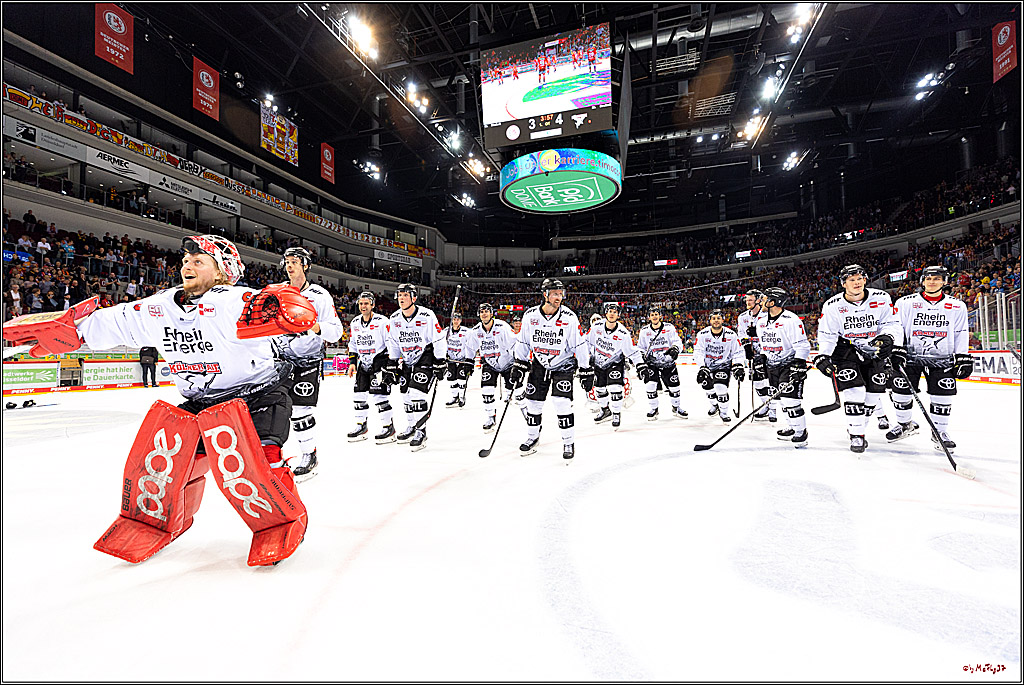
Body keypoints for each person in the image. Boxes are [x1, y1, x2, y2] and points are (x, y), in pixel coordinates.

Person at [2, 235, 316, 567]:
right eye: (186, 260)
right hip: (202, 403)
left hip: (257, 395)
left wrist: (280, 307)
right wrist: (74, 332)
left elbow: (269, 308)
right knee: (159, 465)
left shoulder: (231, 300)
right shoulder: (159, 307)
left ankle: (281, 521)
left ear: (222, 272)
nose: (187, 265)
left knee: (260, 463)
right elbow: (116, 322)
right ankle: (155, 522)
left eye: (199, 261)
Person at [814, 264, 903, 454]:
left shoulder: (881, 298)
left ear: (865, 280)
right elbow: (827, 333)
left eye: (860, 279)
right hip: (845, 350)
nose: (856, 283)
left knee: (872, 395)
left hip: (875, 347)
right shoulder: (832, 305)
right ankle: (857, 435)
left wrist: (889, 337)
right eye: (851, 280)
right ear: (843, 283)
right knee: (854, 391)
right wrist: (823, 355)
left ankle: (858, 426)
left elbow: (891, 323)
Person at [273, 247, 344, 481]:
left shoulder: (319, 295)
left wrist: (314, 326)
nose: (289, 265)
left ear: (305, 265)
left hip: (309, 360)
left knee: (301, 410)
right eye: (287, 261)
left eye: (295, 261)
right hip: (280, 359)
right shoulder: (277, 292)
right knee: (274, 407)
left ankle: (309, 454)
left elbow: (336, 331)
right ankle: (272, 454)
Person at [886, 265, 971, 451]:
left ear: (944, 281)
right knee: (900, 391)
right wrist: (896, 349)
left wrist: (963, 356)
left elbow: (961, 332)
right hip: (910, 356)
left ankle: (939, 432)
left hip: (942, 357)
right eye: (928, 278)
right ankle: (905, 425)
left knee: (942, 395)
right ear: (922, 281)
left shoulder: (957, 305)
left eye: (937, 278)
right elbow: (897, 327)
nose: (932, 282)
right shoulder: (905, 302)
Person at [510, 279, 590, 460]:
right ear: (545, 294)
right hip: (539, 363)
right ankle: (532, 437)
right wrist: (519, 364)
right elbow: (523, 342)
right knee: (533, 402)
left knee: (561, 402)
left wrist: (585, 369)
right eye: (555, 294)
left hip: (563, 363)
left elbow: (579, 344)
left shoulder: (569, 317)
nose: (559, 297)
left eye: (561, 294)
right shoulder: (530, 316)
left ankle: (568, 441)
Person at [382, 283, 447, 451]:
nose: (401, 298)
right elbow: (393, 342)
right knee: (405, 394)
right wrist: (392, 362)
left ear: (414, 298)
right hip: (407, 359)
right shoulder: (394, 318)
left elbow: (439, 338)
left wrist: (440, 360)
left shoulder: (427, 315)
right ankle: (412, 426)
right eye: (399, 295)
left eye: (405, 295)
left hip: (425, 356)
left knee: (417, 393)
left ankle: (421, 431)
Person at [751, 287, 812, 447]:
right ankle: (792, 427)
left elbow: (802, 345)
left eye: (764, 299)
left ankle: (801, 433)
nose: (760, 302)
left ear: (772, 302)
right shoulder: (761, 321)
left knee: (790, 400)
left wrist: (799, 363)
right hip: (772, 366)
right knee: (781, 400)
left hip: (789, 364)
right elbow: (764, 345)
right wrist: (761, 357)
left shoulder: (790, 320)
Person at [346, 291, 397, 443]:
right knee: (358, 396)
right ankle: (361, 426)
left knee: (379, 397)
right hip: (363, 363)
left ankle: (388, 428)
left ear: (373, 305)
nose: (363, 306)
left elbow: (390, 342)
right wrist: (352, 362)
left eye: (366, 303)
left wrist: (391, 364)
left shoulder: (382, 321)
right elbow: (353, 344)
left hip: (379, 362)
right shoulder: (355, 322)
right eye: (361, 303)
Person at [588, 302, 645, 430]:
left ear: (618, 315)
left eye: (615, 312)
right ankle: (605, 411)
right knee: (599, 389)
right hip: (599, 363)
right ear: (606, 313)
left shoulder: (623, 333)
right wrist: (583, 360)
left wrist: (641, 365)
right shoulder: (596, 327)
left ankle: (616, 414)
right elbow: (587, 342)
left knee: (615, 388)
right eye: (610, 311)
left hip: (615, 363)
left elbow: (631, 351)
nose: (612, 314)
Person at [464, 302, 518, 432]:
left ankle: (528, 415)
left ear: (491, 313)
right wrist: (468, 362)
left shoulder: (502, 326)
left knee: (519, 393)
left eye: (486, 311)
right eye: (482, 312)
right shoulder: (475, 331)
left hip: (507, 363)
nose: (484, 314)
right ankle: (490, 417)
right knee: (486, 392)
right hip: (489, 363)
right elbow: (470, 347)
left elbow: (513, 343)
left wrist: (518, 361)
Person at [636, 304, 687, 420]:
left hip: (668, 362)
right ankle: (654, 409)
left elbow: (677, 341)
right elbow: (641, 347)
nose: (654, 316)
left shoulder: (669, 328)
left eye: (656, 314)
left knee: (674, 387)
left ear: (660, 316)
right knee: (650, 386)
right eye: (652, 315)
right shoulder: (644, 331)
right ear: (649, 317)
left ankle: (676, 408)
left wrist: (675, 348)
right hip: (651, 363)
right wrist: (641, 356)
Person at [694, 309, 745, 423]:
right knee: (708, 388)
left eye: (718, 318)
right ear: (709, 320)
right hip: (707, 367)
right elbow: (698, 351)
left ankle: (724, 412)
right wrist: (702, 366)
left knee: (720, 388)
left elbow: (738, 351)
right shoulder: (702, 334)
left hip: (723, 365)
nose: (716, 320)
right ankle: (715, 405)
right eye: (713, 318)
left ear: (723, 320)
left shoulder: (731, 335)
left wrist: (738, 365)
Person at [737, 290, 773, 421]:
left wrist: (758, 332)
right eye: (746, 300)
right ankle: (766, 405)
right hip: (753, 352)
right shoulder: (742, 317)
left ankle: (773, 409)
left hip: (767, 352)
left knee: (768, 380)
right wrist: (746, 346)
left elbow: (772, 332)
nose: (747, 302)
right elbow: (741, 333)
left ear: (758, 300)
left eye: (750, 300)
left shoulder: (767, 315)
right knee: (756, 381)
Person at [444, 311, 474, 408]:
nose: (456, 321)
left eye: (458, 319)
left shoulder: (466, 331)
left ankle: (461, 397)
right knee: (451, 379)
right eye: (454, 319)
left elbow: (471, 345)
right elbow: (441, 343)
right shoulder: (446, 331)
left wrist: (470, 359)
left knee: (461, 379)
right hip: (451, 359)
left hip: (462, 359)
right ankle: (454, 397)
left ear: (461, 321)